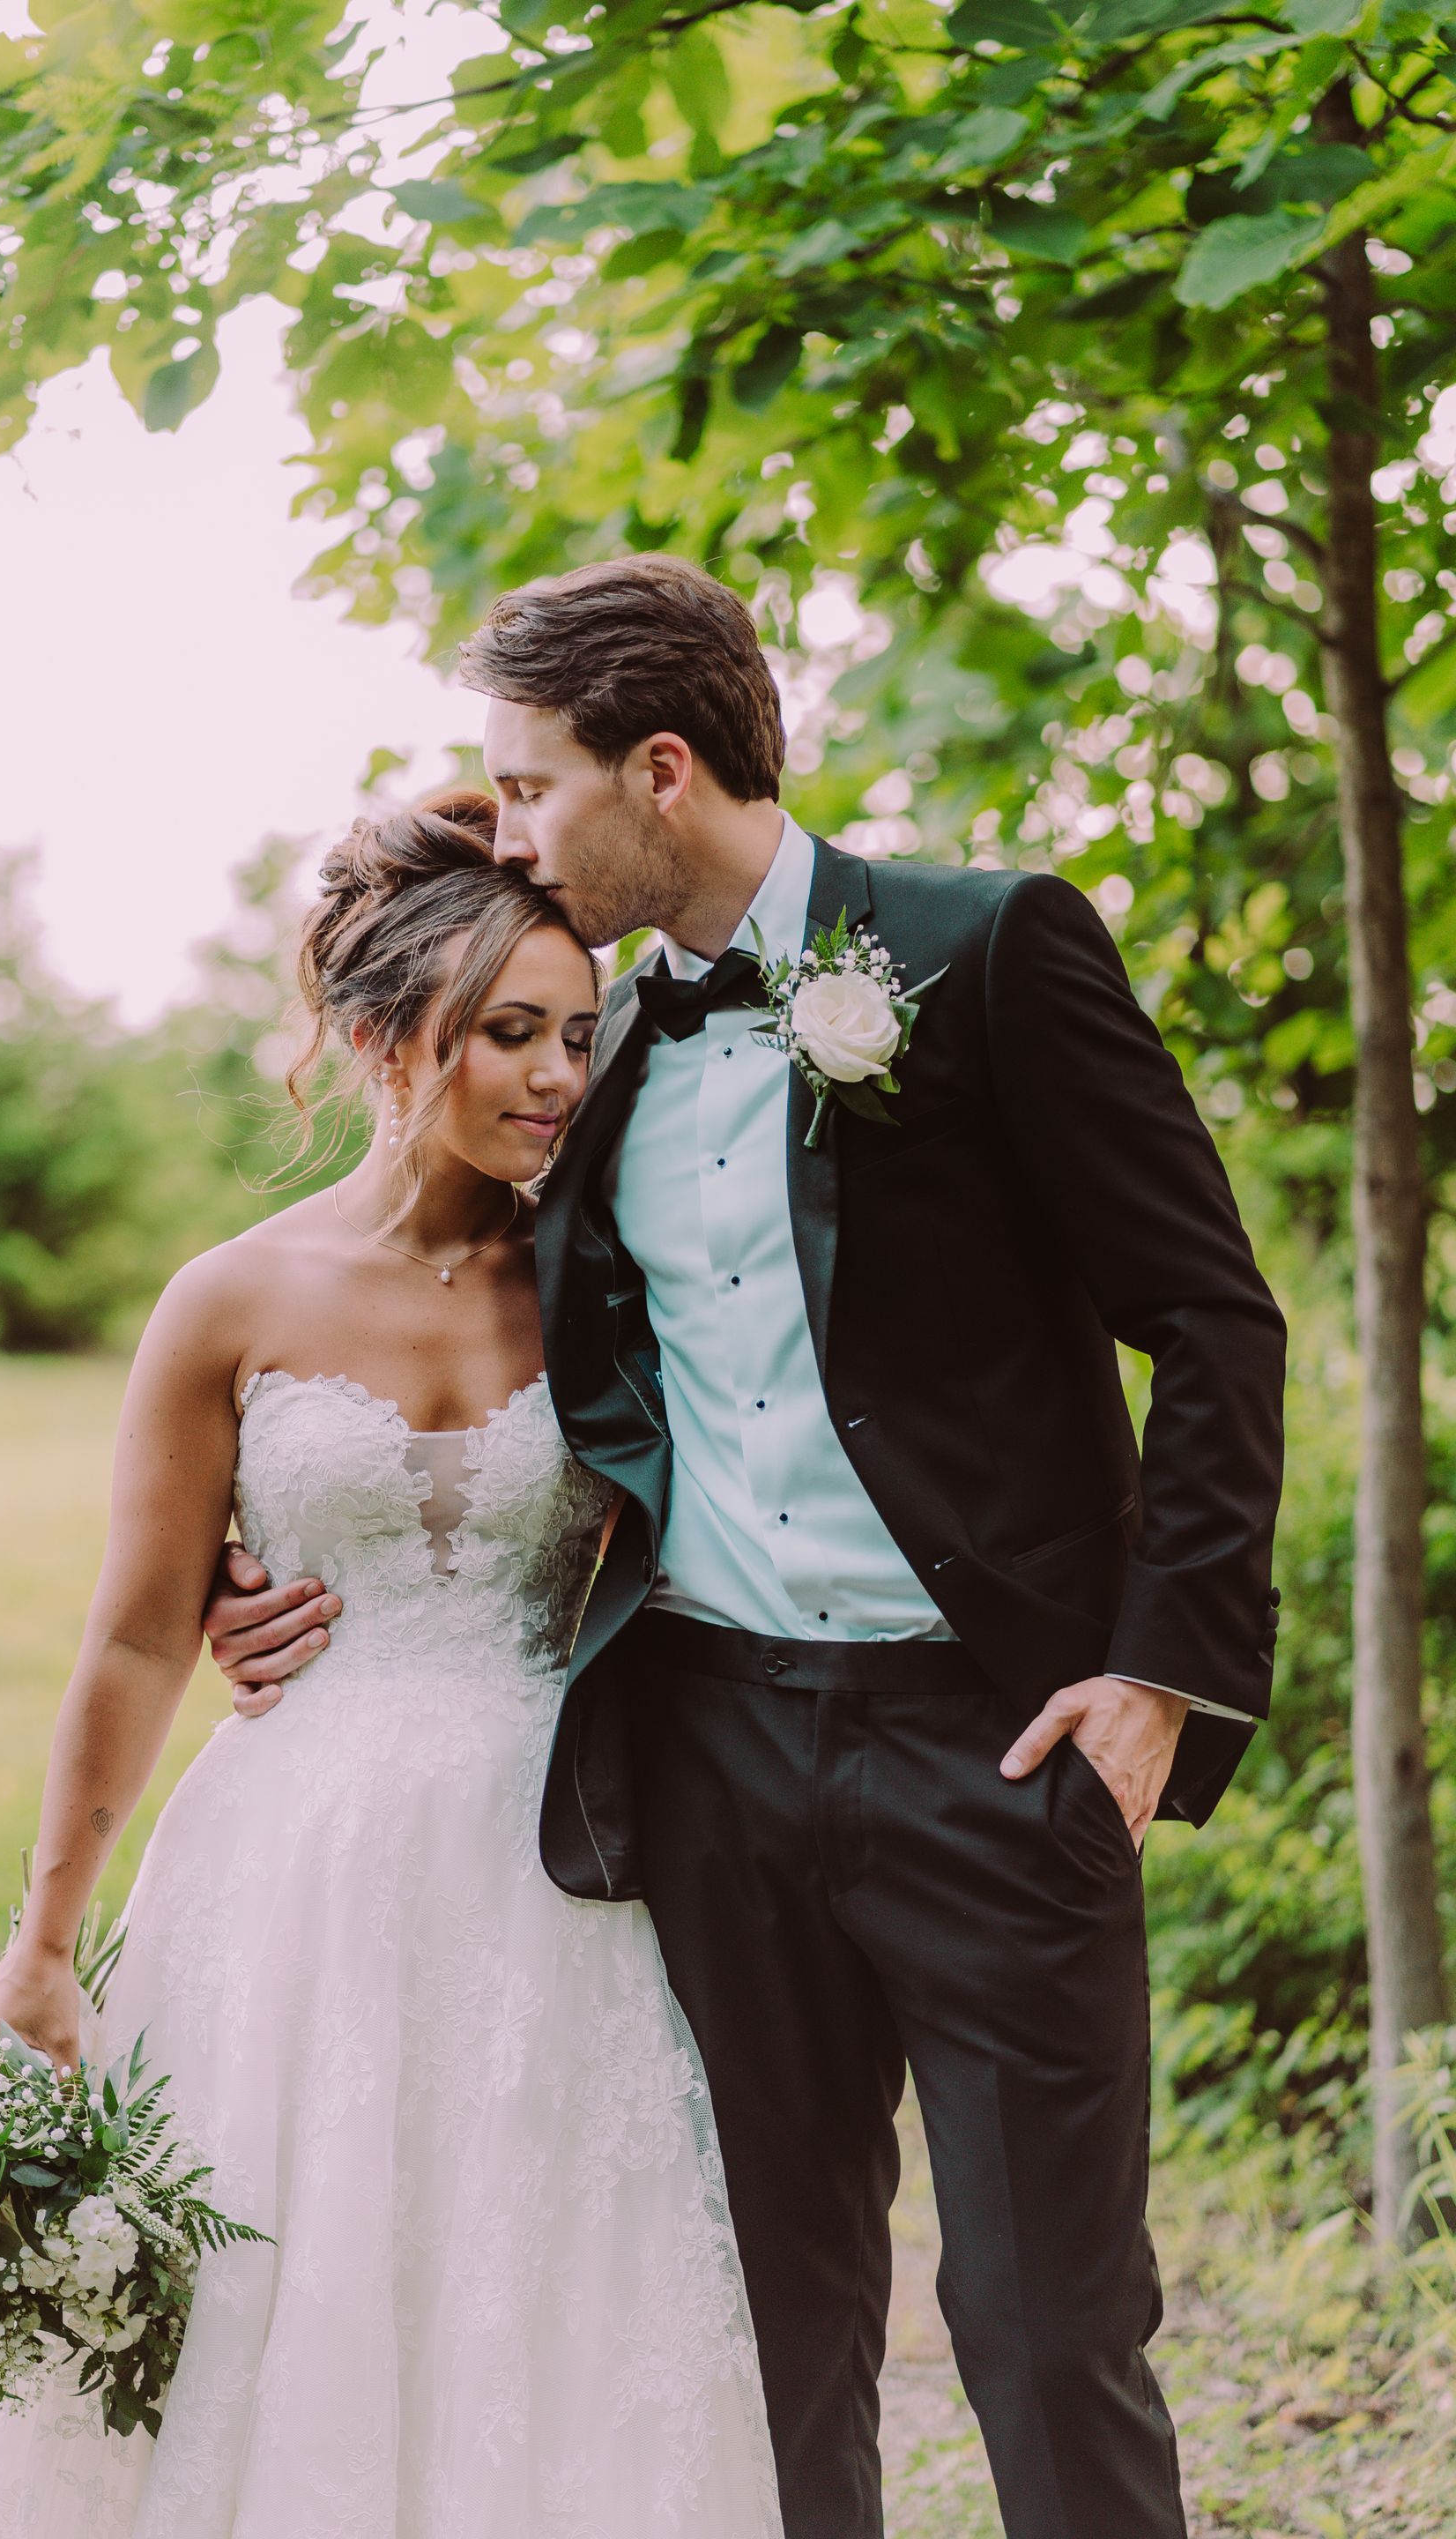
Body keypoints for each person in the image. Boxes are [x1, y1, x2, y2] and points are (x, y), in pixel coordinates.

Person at [206, 558, 1288, 2539]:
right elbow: (440, 1316)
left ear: (666, 770)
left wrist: (1161, 1671)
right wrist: (249, 1541)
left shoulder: (987, 952)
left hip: (999, 1741)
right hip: (703, 1745)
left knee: (1049, 2321)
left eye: (528, 786)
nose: (506, 826)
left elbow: (1214, 1321)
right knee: (760, 2319)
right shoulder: (583, 1045)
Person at [0, 795, 782, 2539]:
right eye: (507, 1034)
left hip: (563, 1877)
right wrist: (41, 1944)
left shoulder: (619, 1286)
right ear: (391, 1039)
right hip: (291, 1878)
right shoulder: (230, 1301)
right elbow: (134, 1630)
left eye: (573, 1033)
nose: (557, 1075)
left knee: (527, 2309)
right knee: (270, 2300)